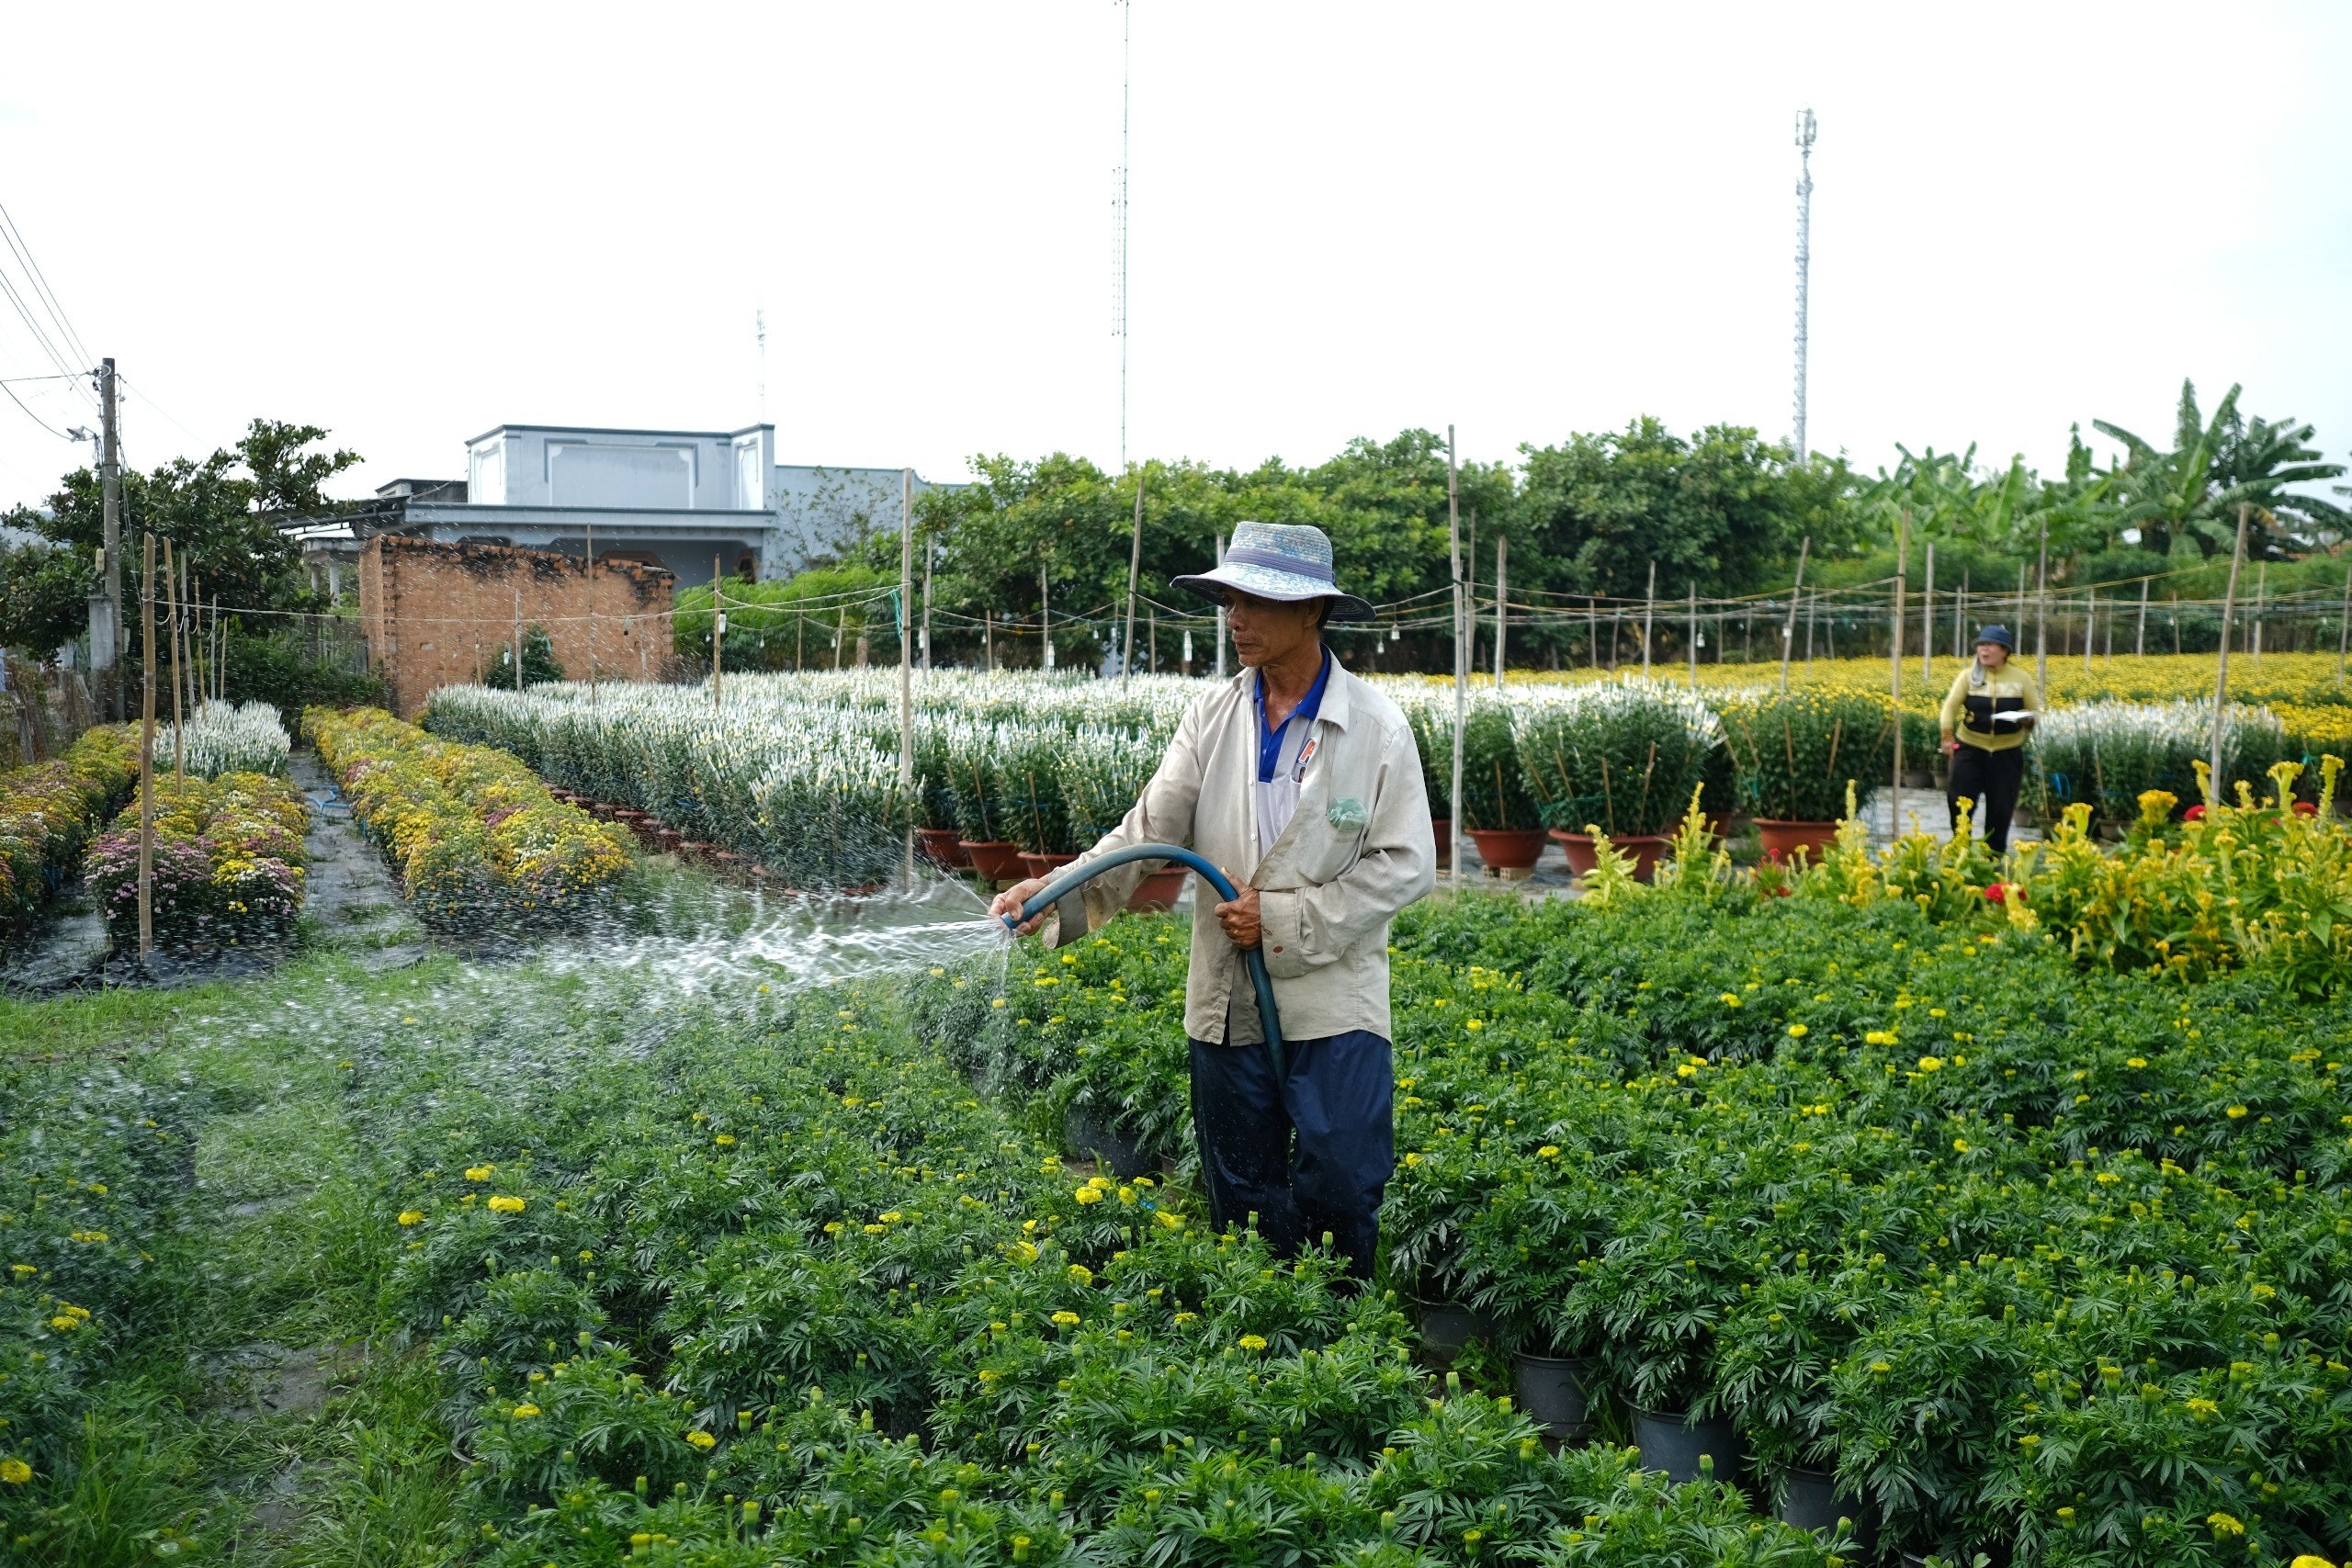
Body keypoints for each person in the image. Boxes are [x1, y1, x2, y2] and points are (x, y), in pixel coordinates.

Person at [990, 521, 1435, 1279]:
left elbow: (1406, 864)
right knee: (1244, 1196)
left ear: (1312, 613)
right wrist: (1054, 890)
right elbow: (1150, 829)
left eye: (1256, 601)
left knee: (1342, 1185)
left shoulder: (1376, 729)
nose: (1236, 618)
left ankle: (1342, 1362)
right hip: (1229, 999)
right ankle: (1261, 1347)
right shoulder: (1213, 716)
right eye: (1230, 599)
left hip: (1335, 1003)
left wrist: (1288, 919)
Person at [1939, 624, 2041, 853]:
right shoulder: (1968, 676)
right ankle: (1960, 851)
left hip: (2007, 753)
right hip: (1970, 748)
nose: (1983, 650)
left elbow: (2034, 711)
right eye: (1980, 646)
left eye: (1989, 645)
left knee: (2001, 809)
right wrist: (1947, 736)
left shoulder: (2021, 678)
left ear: (2004, 650)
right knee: (1959, 803)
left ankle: (1993, 860)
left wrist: (2027, 721)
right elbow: (1949, 707)